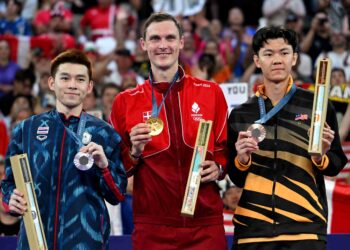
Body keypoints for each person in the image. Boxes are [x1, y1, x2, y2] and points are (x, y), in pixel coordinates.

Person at [110, 12, 228, 250]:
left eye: (170, 38)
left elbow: (225, 149)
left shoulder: (210, 92)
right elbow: (117, 171)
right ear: (143, 44)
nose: (163, 45)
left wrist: (220, 167)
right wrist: (133, 151)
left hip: (205, 223)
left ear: (181, 42)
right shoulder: (125, 101)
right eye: (155, 39)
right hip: (152, 226)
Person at [227, 26, 347, 250]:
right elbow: (236, 177)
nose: (277, 60)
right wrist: (242, 160)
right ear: (257, 60)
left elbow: (336, 163)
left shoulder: (317, 106)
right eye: (268, 54)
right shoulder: (241, 114)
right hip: (252, 231)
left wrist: (321, 156)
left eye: (283, 52)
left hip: (304, 229)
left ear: (295, 58)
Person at [0, 49, 127, 249]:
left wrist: (104, 166)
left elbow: (117, 195)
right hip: (34, 242)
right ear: (52, 83)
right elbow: (8, 183)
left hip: (86, 241)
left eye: (80, 79)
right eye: (65, 78)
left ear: (89, 86)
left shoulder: (105, 134)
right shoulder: (27, 129)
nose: (72, 85)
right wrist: (11, 199)